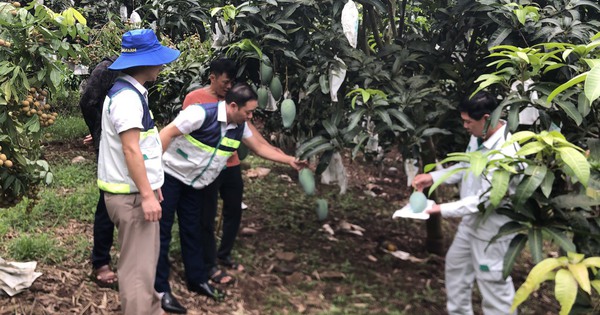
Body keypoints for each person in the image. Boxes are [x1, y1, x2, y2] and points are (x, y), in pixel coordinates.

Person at [155, 82, 306, 313]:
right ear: (233, 106)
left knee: (192, 230)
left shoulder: (240, 125)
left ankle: (197, 279)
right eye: (248, 112)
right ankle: (161, 288)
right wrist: (153, 177)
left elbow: (259, 147)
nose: (251, 116)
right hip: (171, 177)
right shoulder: (199, 114)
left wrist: (289, 160)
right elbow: (165, 134)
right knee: (161, 234)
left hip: (196, 184)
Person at [412, 91, 519, 315]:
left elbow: (486, 199)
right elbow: (466, 166)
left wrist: (439, 209)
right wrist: (433, 177)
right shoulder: (477, 137)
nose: (465, 126)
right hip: (471, 224)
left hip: (492, 229)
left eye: (468, 121)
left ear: (487, 118)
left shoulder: (507, 152)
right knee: (456, 267)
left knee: (493, 285)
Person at [97, 29, 179, 315]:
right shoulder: (127, 99)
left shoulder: (131, 94)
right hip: (130, 198)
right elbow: (130, 150)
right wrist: (146, 195)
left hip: (136, 192)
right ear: (145, 63)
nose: (161, 65)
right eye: (158, 60)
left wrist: (153, 185)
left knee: (145, 266)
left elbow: (143, 149)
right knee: (136, 272)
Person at [182, 58, 279, 285]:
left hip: (230, 164)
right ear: (212, 77)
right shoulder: (194, 99)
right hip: (206, 167)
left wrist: (271, 149)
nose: (228, 86)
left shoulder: (233, 101)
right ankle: (209, 262)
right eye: (225, 82)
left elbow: (249, 131)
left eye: (231, 82)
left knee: (233, 210)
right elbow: (185, 131)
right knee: (206, 216)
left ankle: (223, 254)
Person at [78, 55, 120, 288]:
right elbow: (87, 101)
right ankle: (100, 260)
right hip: (109, 145)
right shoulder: (107, 68)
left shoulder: (142, 77)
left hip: (130, 143)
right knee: (107, 199)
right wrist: (98, 132)